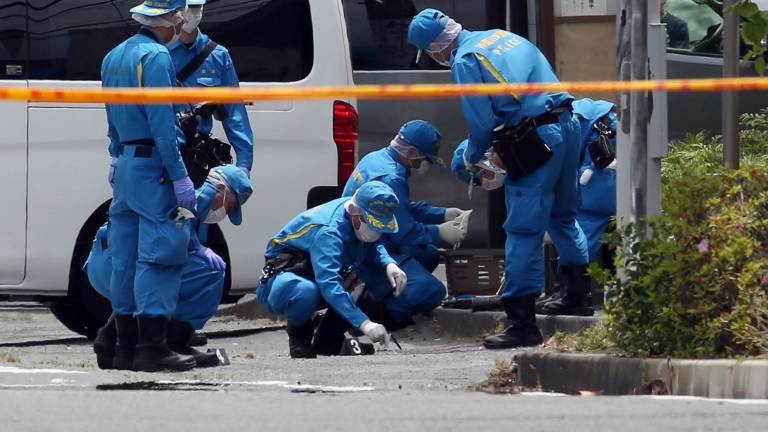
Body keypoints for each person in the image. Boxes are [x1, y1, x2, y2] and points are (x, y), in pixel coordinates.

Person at [409, 9, 589, 349]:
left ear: (435, 49)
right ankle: (578, 296)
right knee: (563, 216)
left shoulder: (465, 59)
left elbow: (481, 124)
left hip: (536, 138)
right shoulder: (500, 36)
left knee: (522, 229)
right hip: (568, 123)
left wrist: (472, 157)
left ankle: (522, 324)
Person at [102, 0, 197, 372]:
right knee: (160, 256)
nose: (182, 22)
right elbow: (162, 124)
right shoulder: (156, 57)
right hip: (153, 168)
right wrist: (178, 174)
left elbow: (110, 114)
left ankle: (123, 348)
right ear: (171, 18)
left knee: (123, 260)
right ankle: (151, 347)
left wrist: (115, 154)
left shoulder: (113, 56)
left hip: (126, 165)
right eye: (180, 15)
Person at [88, 165, 252, 370]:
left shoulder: (161, 182)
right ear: (220, 188)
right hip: (121, 262)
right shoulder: (204, 192)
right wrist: (195, 247)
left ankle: (111, 340)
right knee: (210, 272)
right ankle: (174, 343)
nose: (224, 211)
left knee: (145, 281)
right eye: (229, 204)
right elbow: (172, 227)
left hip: (101, 263)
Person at [256, 181, 407, 358]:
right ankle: (299, 336)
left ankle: (328, 341)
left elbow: (371, 243)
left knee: (375, 279)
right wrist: (365, 323)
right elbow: (329, 283)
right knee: (304, 292)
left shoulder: (356, 214)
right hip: (283, 283)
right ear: (353, 212)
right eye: (372, 225)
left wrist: (389, 264)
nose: (376, 232)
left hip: (320, 275)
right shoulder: (329, 232)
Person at [341, 120, 465, 333]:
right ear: (412, 152)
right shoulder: (392, 178)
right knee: (432, 291)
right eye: (425, 159)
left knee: (428, 255)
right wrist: (439, 233)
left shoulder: (376, 158)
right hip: (368, 249)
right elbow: (403, 232)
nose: (424, 164)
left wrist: (441, 213)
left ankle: (386, 290)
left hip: (363, 239)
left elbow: (400, 208)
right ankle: (368, 314)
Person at [169, 0, 254, 178]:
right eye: (188, 8)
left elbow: (234, 111)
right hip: (166, 152)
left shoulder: (217, 55)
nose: (193, 14)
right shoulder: (160, 53)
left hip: (198, 155)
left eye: (197, 8)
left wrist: (244, 163)